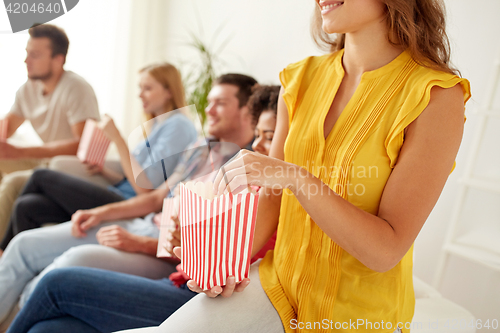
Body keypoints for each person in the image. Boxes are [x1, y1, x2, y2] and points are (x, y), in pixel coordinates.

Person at [123, 0, 470, 332]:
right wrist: (228, 263)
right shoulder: (300, 79)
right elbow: (272, 199)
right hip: (278, 284)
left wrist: (296, 178)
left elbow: (385, 251)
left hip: (358, 315)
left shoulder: (436, 96)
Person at [6, 85, 281, 333]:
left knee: (57, 278)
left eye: (268, 136)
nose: (208, 109)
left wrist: (158, 243)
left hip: (169, 262)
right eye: (259, 135)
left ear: (246, 112)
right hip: (158, 235)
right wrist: (102, 212)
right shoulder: (202, 148)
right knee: (45, 325)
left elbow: (216, 257)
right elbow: (156, 199)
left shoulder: (253, 181)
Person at [0, 62, 197, 251]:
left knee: (41, 176)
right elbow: (134, 177)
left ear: (169, 91)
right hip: (119, 191)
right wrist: (105, 171)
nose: (140, 94)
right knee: (26, 206)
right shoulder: (158, 125)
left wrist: (118, 139)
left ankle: (2, 252)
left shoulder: (178, 126)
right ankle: (13, 265)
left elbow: (144, 189)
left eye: (148, 88)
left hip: (128, 204)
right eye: (140, 87)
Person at [0, 24, 100, 241]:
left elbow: (81, 145)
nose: (27, 60)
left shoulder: (76, 88)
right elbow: (5, 128)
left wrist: (20, 152)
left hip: (68, 170)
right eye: (27, 54)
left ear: (58, 59)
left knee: (12, 183)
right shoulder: (28, 89)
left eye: (35, 55)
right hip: (44, 163)